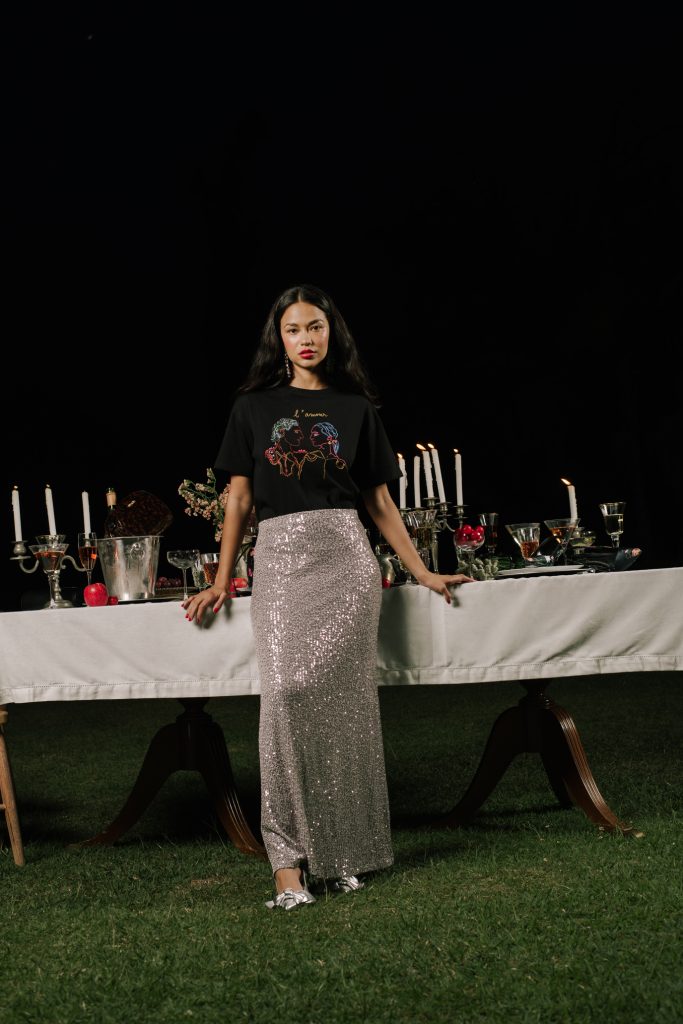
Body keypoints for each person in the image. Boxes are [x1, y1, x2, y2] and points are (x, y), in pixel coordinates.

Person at [183, 283, 473, 911]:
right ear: (279, 339)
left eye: (315, 326)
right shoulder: (252, 408)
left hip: (346, 561)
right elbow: (239, 499)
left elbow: (379, 502)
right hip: (281, 562)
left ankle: (345, 853)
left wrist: (422, 571)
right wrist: (222, 578)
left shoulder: (355, 408)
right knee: (285, 698)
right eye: (293, 329)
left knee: (346, 709)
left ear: (331, 332)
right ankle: (286, 864)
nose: (306, 338)